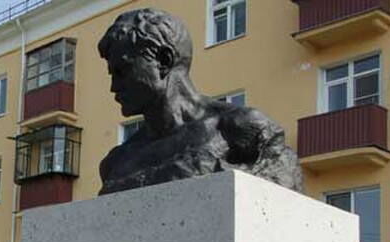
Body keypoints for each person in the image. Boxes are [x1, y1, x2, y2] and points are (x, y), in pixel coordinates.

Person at [97, 8, 302, 195]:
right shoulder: (116, 162)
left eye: (122, 71)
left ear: (163, 61)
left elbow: (280, 202)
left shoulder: (241, 130)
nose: (113, 87)